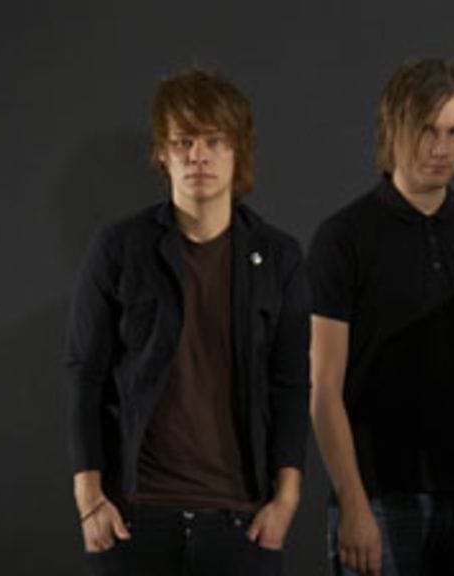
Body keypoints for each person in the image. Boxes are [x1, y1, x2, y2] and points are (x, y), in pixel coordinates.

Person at [66, 68, 310, 576]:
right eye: (183, 142)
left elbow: (290, 385)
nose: (198, 155)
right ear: (162, 152)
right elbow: (86, 376)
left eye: (214, 141)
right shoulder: (119, 249)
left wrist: (286, 500)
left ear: (238, 150)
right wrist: (89, 498)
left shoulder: (279, 257)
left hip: (241, 519)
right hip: (134, 517)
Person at [308, 58, 454, 576]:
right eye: (426, 130)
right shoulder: (344, 237)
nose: (440, 148)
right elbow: (323, 388)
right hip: (380, 496)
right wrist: (352, 503)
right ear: (392, 129)